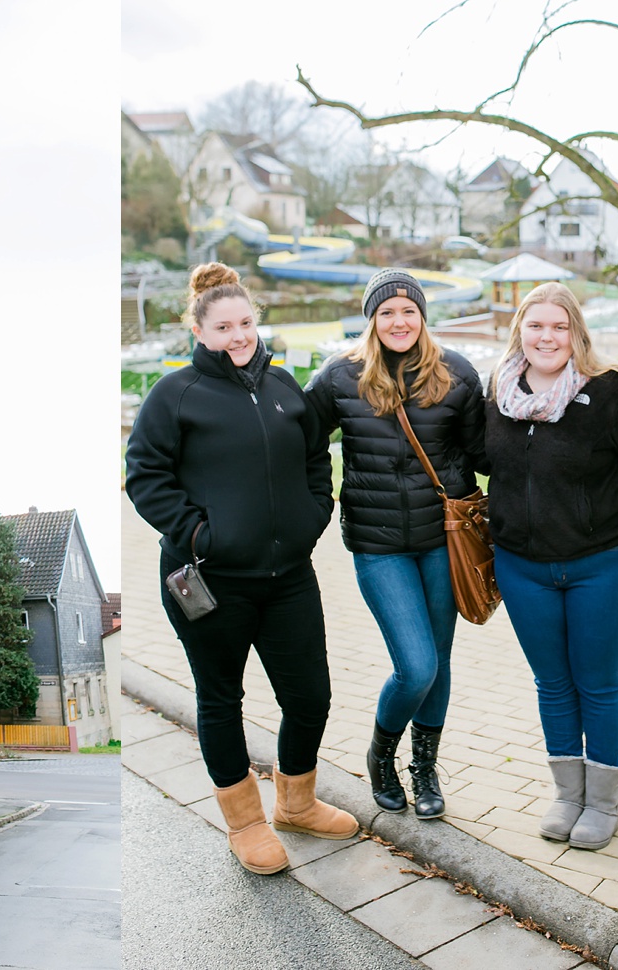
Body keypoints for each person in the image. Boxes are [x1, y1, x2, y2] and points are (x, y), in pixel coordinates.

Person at [125, 263, 357, 875]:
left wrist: (312, 518)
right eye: (224, 326)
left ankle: (296, 803)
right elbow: (144, 476)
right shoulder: (174, 395)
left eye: (246, 323)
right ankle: (246, 823)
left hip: (287, 578)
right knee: (221, 698)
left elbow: (315, 461)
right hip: (208, 580)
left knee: (311, 695)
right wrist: (203, 533)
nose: (239, 335)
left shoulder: (284, 388)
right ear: (198, 330)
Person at [484, 282, 618, 851]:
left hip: (602, 565)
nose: (546, 336)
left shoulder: (613, 393)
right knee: (553, 684)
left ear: (576, 333)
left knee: (598, 684)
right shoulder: (497, 395)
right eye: (535, 325)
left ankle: (603, 803)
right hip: (522, 567)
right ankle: (567, 795)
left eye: (558, 326)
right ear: (520, 332)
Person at [304, 268, 486, 819]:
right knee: (416, 665)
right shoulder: (340, 377)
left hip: (442, 541)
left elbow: (484, 454)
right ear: (372, 319)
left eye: (408, 311)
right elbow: (298, 443)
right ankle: (381, 755)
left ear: (423, 316)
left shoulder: (457, 374)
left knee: (440, 661)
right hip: (378, 545)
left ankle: (424, 767)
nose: (399, 321)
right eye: (387, 312)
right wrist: (316, 506)